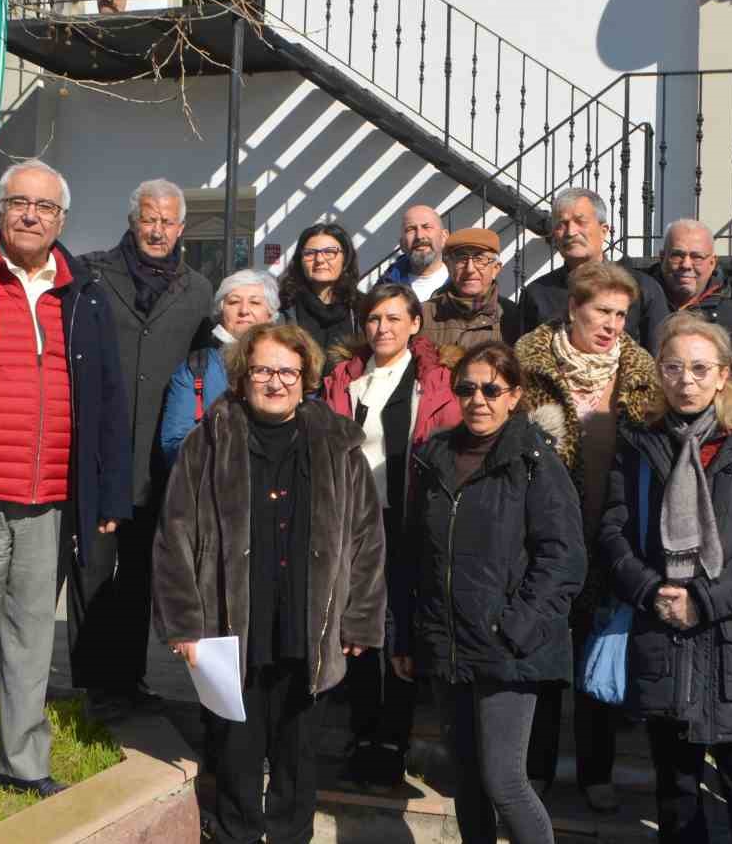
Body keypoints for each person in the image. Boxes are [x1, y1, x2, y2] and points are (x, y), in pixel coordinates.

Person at [0, 161, 131, 821]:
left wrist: (107, 495)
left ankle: (23, 760)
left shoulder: (86, 294)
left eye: (44, 207)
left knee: (31, 640)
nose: (30, 215)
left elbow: (108, 400)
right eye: (18, 202)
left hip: (50, 498)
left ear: (62, 220)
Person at [153, 323, 386, 844]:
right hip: (232, 627)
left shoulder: (339, 446)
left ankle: (289, 836)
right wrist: (182, 624)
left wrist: (361, 618)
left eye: (287, 371)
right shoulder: (208, 442)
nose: (275, 382)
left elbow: (367, 538)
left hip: (310, 628)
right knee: (235, 753)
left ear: (305, 378)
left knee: (299, 757)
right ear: (242, 376)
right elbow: (174, 536)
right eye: (263, 370)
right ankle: (237, 834)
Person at [600, 312, 732, 844]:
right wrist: (649, 590)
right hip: (664, 642)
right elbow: (614, 533)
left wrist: (704, 601)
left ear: (722, 374)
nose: (684, 380)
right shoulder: (640, 445)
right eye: (672, 367)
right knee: (677, 799)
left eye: (698, 368)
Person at [397, 341, 585, 844]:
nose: (477, 399)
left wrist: (516, 626)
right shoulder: (434, 456)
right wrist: (407, 636)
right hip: (447, 643)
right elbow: (414, 552)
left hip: (506, 648)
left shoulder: (534, 460)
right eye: (466, 388)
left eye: (491, 389)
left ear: (513, 395)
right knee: (467, 781)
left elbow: (563, 558)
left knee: (504, 780)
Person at [516, 262, 660, 812]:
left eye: (621, 314)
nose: (612, 324)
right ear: (573, 307)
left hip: (612, 538)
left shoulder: (640, 369)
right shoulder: (528, 362)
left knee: (600, 657)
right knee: (546, 659)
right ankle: (537, 770)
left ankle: (597, 772)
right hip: (541, 541)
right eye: (602, 311)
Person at [81, 178, 214, 718]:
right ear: (132, 221)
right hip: (101, 452)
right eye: (148, 218)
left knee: (140, 578)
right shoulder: (90, 273)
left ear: (181, 228)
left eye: (167, 221)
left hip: (161, 463)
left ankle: (129, 678)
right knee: (92, 573)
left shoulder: (199, 289)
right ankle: (93, 685)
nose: (157, 229)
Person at [322, 283, 461, 788]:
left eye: (394, 319)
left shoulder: (435, 380)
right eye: (375, 319)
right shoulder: (344, 379)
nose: (382, 328)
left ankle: (393, 742)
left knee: (401, 634)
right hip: (354, 524)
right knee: (358, 633)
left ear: (415, 324)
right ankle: (362, 736)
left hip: (407, 524)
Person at [517, 187, 667, 353]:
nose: (571, 232)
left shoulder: (641, 288)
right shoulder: (537, 294)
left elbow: (660, 359)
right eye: (562, 224)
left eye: (580, 222)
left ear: (603, 231)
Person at [160, 268, 280, 467]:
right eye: (233, 302)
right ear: (221, 312)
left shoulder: (291, 362)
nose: (243, 310)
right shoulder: (196, 368)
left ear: (270, 313)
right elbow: (174, 445)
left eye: (255, 302)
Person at [418, 227, 522, 348]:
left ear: (495, 269)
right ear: (449, 267)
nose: (470, 269)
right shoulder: (425, 314)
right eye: (461, 259)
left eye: (480, 259)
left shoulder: (511, 315)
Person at [650, 219, 732, 342]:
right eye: (677, 255)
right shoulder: (635, 304)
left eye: (697, 257)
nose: (686, 265)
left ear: (712, 263)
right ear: (662, 257)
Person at [280, 221, 362, 359]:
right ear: (300, 260)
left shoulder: (361, 307)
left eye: (330, 252)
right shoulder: (284, 307)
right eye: (310, 253)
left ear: (346, 258)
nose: (319, 260)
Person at [382, 203, 451, 301]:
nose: (419, 236)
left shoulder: (463, 283)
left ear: (444, 237)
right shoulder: (385, 289)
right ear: (402, 244)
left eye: (427, 227)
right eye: (411, 229)